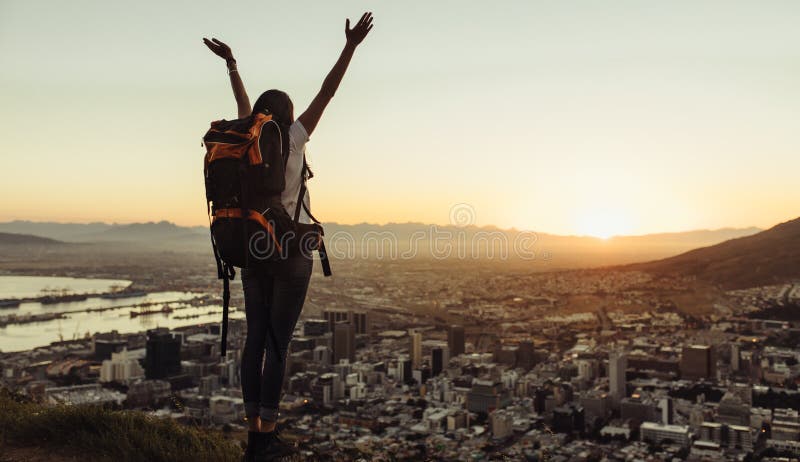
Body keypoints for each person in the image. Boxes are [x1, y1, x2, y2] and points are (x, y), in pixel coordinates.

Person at [204, 12, 373, 461]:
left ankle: (252, 432)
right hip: (290, 248)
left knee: (255, 337)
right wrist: (351, 47)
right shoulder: (294, 137)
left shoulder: (250, 138)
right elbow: (328, 91)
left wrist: (233, 64)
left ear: (261, 115)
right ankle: (269, 435)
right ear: (289, 115)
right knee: (279, 341)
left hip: (251, 245)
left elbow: (242, 105)